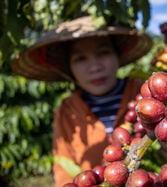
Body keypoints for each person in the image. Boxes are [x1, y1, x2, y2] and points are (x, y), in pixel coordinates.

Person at [11, 16, 153, 187]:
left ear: (117, 55)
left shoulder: (145, 93)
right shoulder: (65, 112)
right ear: (69, 68)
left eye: (103, 52)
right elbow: (62, 166)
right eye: (80, 59)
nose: (94, 66)